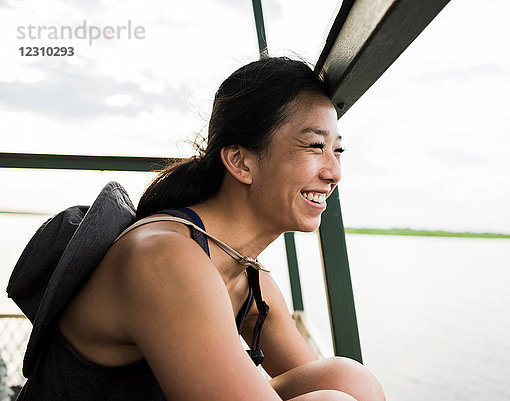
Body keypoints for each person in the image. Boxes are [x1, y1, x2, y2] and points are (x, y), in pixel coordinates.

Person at [17, 57, 385, 400]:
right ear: (240, 161)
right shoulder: (164, 257)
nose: (334, 172)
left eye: (337, 151)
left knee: (349, 381)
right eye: (314, 146)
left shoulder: (247, 276)